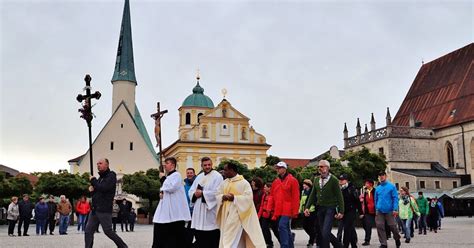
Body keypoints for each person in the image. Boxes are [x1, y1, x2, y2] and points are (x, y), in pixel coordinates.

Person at [216, 162, 266, 247]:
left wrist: (234, 198)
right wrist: (223, 196)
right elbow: (217, 194)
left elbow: (248, 198)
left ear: (232, 170)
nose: (223, 172)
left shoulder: (244, 183)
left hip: (237, 213)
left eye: (225, 170)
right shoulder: (224, 182)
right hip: (225, 213)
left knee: (230, 236)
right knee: (228, 235)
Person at [85, 158, 128, 248]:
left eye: (100, 163)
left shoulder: (111, 176)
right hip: (95, 210)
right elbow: (98, 193)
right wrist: (92, 191)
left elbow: (104, 188)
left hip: (104, 209)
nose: (98, 165)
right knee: (88, 231)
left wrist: (93, 180)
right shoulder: (100, 178)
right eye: (97, 164)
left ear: (107, 165)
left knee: (108, 231)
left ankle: (123, 246)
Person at [152, 157, 191, 248]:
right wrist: (161, 192)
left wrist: (162, 178)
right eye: (165, 163)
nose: (165, 165)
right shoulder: (169, 176)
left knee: (173, 236)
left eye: (167, 163)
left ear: (173, 165)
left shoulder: (177, 175)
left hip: (174, 211)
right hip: (165, 209)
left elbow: (171, 187)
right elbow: (165, 189)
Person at [305, 160, 344, 248]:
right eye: (318, 167)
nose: (319, 168)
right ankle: (339, 246)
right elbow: (312, 195)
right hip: (320, 208)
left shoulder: (333, 180)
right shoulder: (316, 180)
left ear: (327, 168)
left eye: (321, 166)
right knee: (323, 232)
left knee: (325, 232)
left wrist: (341, 211)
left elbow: (339, 196)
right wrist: (307, 207)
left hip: (330, 208)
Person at [188, 157, 223, 248]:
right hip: (199, 210)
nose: (207, 167)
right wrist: (195, 194)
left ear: (212, 164)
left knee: (211, 238)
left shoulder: (217, 176)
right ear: (202, 166)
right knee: (199, 236)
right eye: (205, 165)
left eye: (209, 165)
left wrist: (203, 193)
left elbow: (218, 192)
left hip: (210, 210)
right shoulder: (199, 176)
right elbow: (191, 190)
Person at [272, 161, 300, 248]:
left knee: (282, 226)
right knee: (286, 228)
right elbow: (272, 196)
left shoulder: (292, 180)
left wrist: (295, 211)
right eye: (277, 168)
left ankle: (284, 246)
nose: (278, 170)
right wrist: (272, 209)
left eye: (279, 168)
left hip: (288, 208)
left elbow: (296, 196)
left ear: (284, 169)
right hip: (279, 209)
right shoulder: (276, 181)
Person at [374, 171, 401, 248]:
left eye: (382, 175)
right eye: (380, 176)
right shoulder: (377, 188)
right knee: (379, 226)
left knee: (393, 226)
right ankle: (383, 243)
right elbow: (376, 199)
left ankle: (397, 238)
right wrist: (376, 208)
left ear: (385, 176)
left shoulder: (391, 186)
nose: (381, 177)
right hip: (379, 211)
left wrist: (395, 209)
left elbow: (395, 198)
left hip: (390, 210)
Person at [339, 174, 362, 248]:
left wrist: (361, 212)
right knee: (350, 228)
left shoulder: (351, 189)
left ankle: (345, 245)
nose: (341, 181)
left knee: (347, 228)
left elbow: (357, 201)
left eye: (342, 180)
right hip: (343, 212)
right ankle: (354, 245)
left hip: (351, 211)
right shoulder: (340, 189)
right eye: (340, 180)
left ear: (346, 180)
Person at [258, 182, 280, 248]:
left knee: (275, 230)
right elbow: (261, 206)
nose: (264, 188)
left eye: (265, 187)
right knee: (264, 228)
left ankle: (283, 242)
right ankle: (269, 243)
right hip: (265, 215)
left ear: (269, 188)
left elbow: (277, 206)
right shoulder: (264, 195)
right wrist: (258, 216)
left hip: (272, 215)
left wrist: (275, 215)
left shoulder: (274, 195)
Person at [300, 179, 318, 248]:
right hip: (304, 211)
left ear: (308, 185)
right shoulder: (303, 192)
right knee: (305, 226)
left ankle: (311, 241)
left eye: (304, 184)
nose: (303, 185)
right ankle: (314, 236)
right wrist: (300, 210)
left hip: (311, 211)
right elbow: (301, 201)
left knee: (311, 227)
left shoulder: (312, 192)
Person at [360, 179, 376, 246]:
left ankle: (387, 234)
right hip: (368, 212)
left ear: (371, 184)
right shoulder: (366, 192)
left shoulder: (375, 191)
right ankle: (367, 240)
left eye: (366, 183)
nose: (365, 184)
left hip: (375, 211)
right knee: (366, 225)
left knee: (381, 225)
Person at [184, 167, 196, 248]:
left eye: (191, 173)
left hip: (195, 212)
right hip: (187, 212)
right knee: (188, 232)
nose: (189, 174)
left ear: (194, 173)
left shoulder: (197, 183)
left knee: (197, 231)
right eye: (188, 173)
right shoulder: (184, 185)